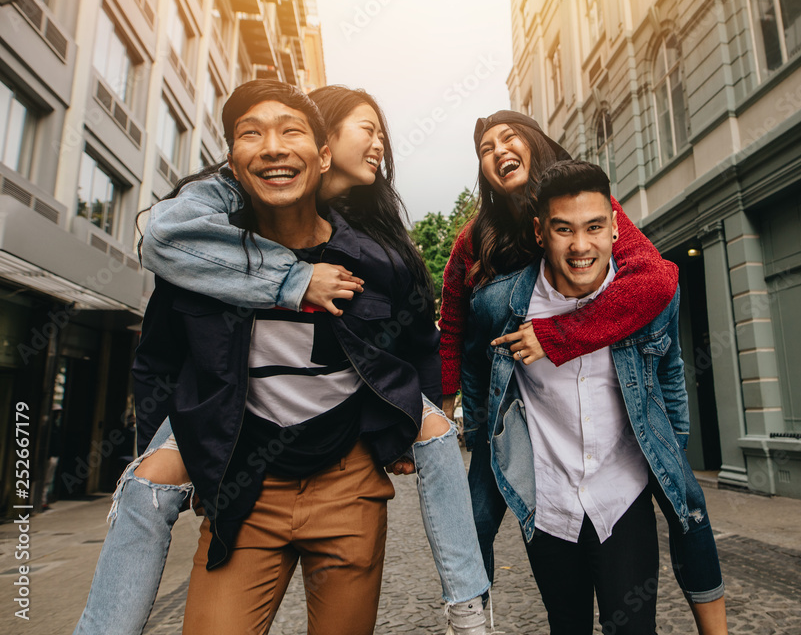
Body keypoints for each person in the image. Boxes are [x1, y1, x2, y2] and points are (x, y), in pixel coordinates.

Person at [73, 82, 490, 635]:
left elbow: (416, 348)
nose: (272, 147)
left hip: (348, 485)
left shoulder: (379, 259)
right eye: (252, 134)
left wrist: (400, 430)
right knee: (146, 489)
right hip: (246, 495)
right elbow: (157, 364)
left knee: (436, 435)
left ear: (319, 156)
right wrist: (194, 456)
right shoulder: (199, 257)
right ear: (233, 158)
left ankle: (471, 612)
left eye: (291, 131)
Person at [449, 112, 728, 634]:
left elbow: (668, 362)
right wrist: (461, 418)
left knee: (645, 601)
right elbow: (461, 333)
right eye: (563, 230)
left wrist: (661, 445)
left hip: (620, 495)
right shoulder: (491, 275)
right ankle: (468, 614)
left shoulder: (637, 289)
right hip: (548, 502)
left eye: (594, 228)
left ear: (612, 227)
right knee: (479, 527)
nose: (580, 244)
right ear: (540, 232)